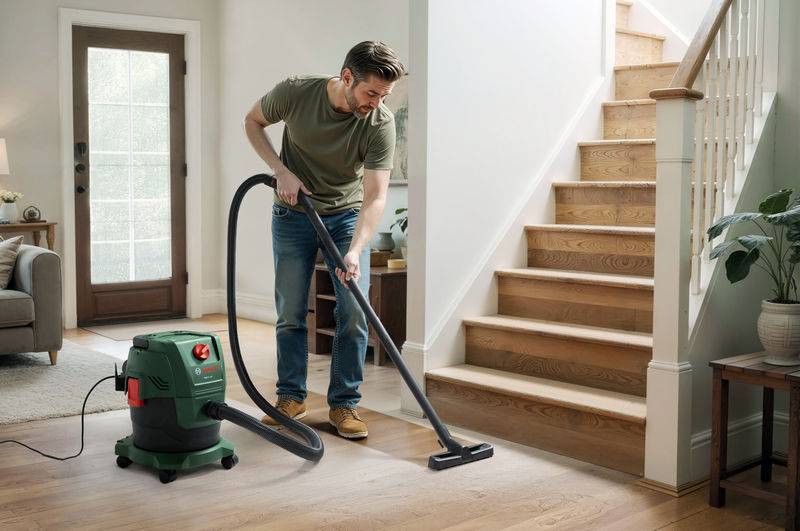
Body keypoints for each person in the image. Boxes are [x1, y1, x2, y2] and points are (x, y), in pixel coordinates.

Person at [243, 41, 405, 439]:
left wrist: (355, 250)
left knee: (354, 311)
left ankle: (345, 404)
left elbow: (376, 196)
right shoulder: (297, 92)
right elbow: (253, 121)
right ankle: (291, 397)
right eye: (371, 92)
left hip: (346, 216)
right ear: (347, 77)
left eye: (384, 95)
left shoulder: (379, 122)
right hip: (292, 214)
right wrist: (280, 170)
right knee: (291, 311)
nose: (376, 103)